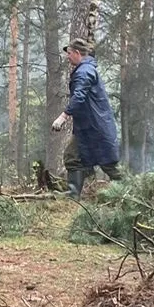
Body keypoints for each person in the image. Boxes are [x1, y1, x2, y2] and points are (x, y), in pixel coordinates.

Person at [52, 37, 123, 198]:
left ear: (77, 53)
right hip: (89, 127)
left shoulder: (84, 72)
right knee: (74, 156)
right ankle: (73, 194)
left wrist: (63, 117)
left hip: (95, 128)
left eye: (69, 53)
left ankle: (129, 193)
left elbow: (78, 97)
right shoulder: (87, 69)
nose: (67, 57)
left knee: (108, 164)